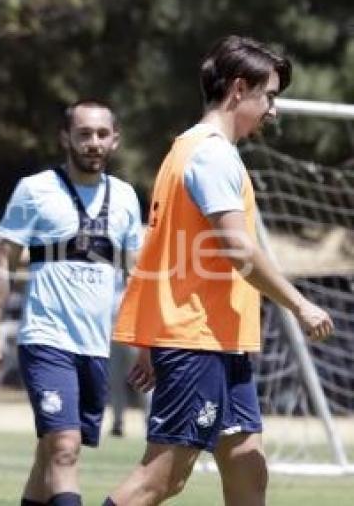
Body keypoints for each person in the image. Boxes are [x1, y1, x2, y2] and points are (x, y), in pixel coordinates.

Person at [103, 35, 335, 506]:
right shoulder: (210, 155)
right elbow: (238, 249)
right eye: (269, 95)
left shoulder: (189, 149)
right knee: (160, 480)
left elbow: (165, 253)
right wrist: (299, 304)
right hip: (196, 340)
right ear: (237, 89)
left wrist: (150, 336)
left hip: (216, 341)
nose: (273, 109)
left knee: (248, 466)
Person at [0, 100, 144, 506]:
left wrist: (145, 345)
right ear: (65, 137)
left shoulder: (125, 197)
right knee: (65, 448)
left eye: (102, 134)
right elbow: (3, 265)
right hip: (46, 340)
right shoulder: (34, 190)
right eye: (84, 133)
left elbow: (136, 278)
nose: (93, 142)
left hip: (96, 347)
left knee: (49, 454)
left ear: (115, 140)